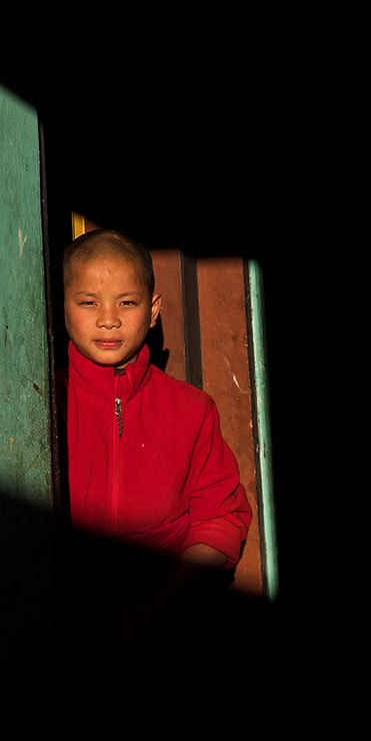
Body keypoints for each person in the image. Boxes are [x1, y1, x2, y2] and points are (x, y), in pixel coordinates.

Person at [60, 227, 253, 634]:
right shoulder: (45, 399)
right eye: (88, 302)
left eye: (127, 303)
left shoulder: (191, 409)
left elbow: (220, 518)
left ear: (153, 310)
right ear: (62, 306)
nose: (108, 320)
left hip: (167, 611)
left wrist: (158, 605)